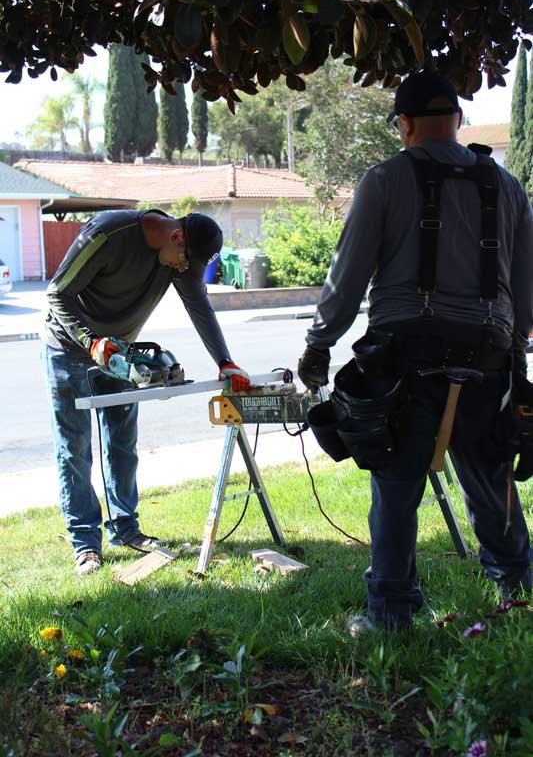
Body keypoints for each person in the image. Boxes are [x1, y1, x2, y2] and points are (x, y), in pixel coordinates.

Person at [298, 70, 533, 633]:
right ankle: (519, 593)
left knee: (397, 486)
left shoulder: (384, 180)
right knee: (491, 481)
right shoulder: (507, 186)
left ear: (404, 124)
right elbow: (525, 283)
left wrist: (319, 343)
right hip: (487, 356)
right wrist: (518, 351)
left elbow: (348, 274)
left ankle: (390, 614)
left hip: (405, 360)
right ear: (457, 121)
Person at [42, 208, 251, 576]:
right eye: (186, 261)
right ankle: (86, 544)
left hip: (120, 353)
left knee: (122, 442)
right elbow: (57, 293)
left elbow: (199, 305)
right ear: (176, 237)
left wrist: (225, 361)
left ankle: (125, 530)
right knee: (75, 447)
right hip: (70, 348)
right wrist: (90, 341)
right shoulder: (106, 234)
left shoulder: (181, 257)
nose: (184, 270)